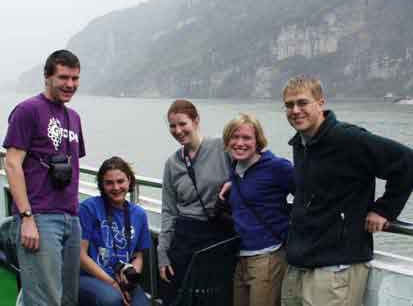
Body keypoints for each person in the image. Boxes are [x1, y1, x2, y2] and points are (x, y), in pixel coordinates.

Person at [281, 75, 413, 306]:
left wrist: (385, 209)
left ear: (320, 103)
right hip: (302, 263)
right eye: (289, 105)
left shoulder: (347, 138)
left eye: (302, 102)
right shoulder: (302, 143)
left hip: (335, 268)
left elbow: (407, 162)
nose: (295, 110)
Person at [3, 49, 85, 306]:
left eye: (75, 78)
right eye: (63, 77)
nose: (70, 84)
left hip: (71, 218)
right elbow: (12, 163)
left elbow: (73, 166)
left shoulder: (74, 118)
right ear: (47, 77)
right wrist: (27, 218)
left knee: (68, 297)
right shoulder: (28, 110)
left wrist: (75, 217)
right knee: (43, 299)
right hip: (40, 217)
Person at [157, 99, 234, 305]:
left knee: (215, 298)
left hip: (218, 235)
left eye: (183, 124)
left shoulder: (222, 148)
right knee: (180, 297)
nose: (178, 131)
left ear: (196, 121)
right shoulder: (172, 164)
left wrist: (233, 183)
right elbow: (169, 210)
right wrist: (162, 252)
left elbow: (251, 166)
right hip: (185, 238)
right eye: (172, 126)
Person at [222, 113, 295, 306]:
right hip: (241, 257)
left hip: (267, 257)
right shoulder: (236, 168)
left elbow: (306, 195)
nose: (240, 143)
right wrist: (231, 183)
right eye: (235, 137)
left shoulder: (276, 167)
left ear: (258, 141)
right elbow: (251, 186)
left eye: (246, 138)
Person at [79, 156, 151, 306]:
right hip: (90, 276)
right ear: (102, 185)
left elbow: (138, 256)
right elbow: (81, 256)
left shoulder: (139, 214)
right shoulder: (89, 208)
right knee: (111, 299)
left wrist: (129, 280)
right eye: (109, 183)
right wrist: (112, 283)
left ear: (129, 181)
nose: (116, 188)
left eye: (120, 181)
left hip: (120, 277)